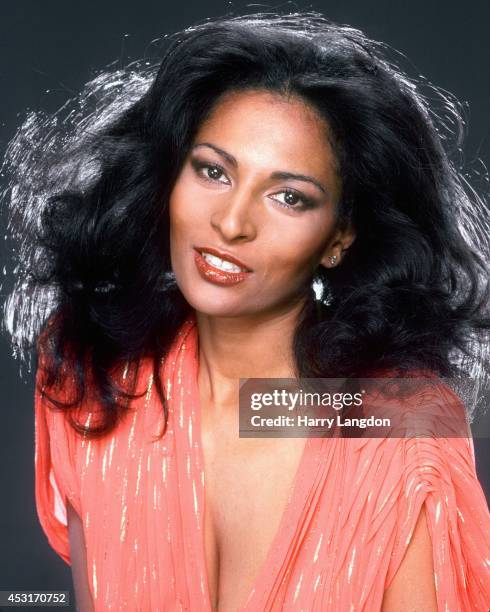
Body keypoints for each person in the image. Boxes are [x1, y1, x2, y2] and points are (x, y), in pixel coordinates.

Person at [3, 11, 490, 612]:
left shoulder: (399, 428)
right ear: (167, 175)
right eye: (213, 170)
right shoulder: (96, 371)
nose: (232, 224)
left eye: (289, 197)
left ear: (341, 237)